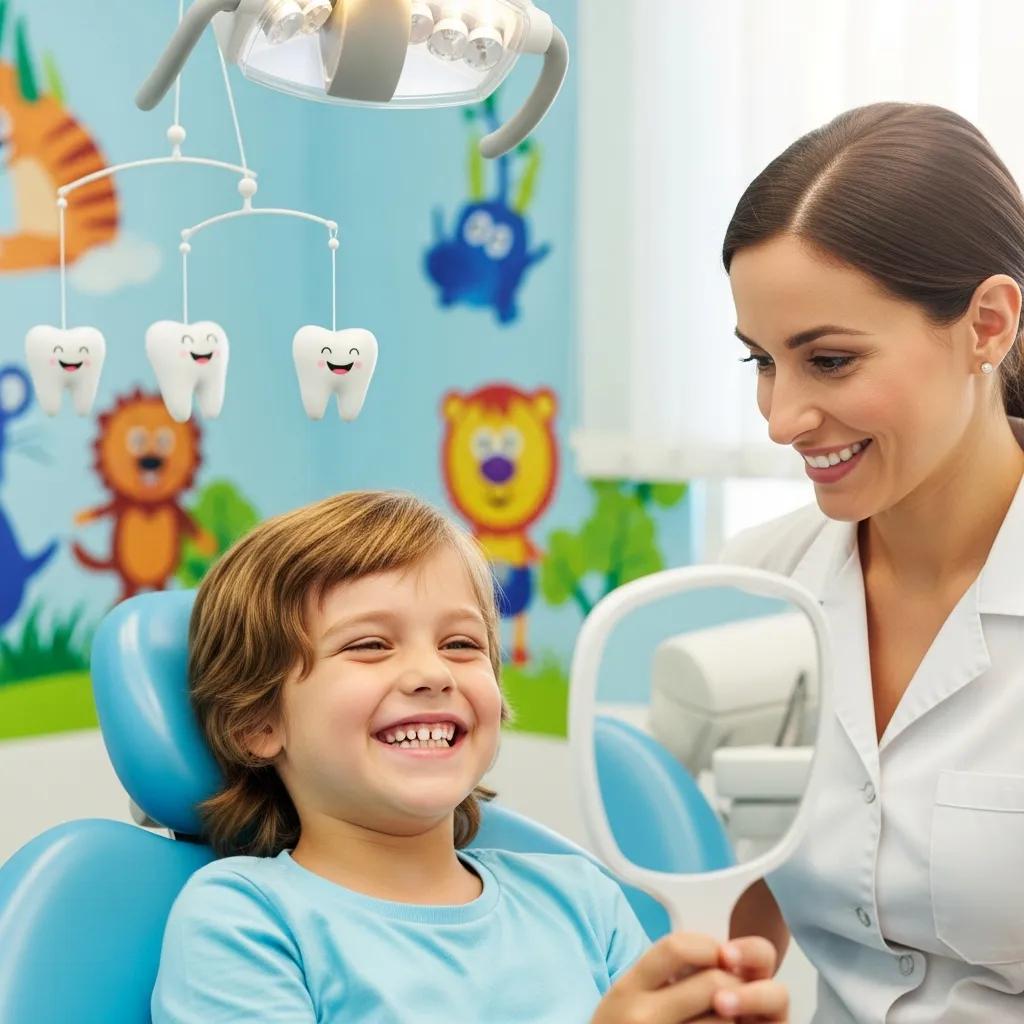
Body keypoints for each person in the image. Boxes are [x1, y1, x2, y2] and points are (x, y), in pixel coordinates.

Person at [151, 491, 788, 1023]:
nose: (432, 672)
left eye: (461, 643)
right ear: (258, 722)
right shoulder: (244, 918)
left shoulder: (579, 900)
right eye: (371, 645)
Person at [719, 102, 1024, 1022]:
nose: (781, 420)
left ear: (987, 324)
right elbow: (739, 912)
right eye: (762, 362)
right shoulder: (756, 588)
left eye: (831, 360)